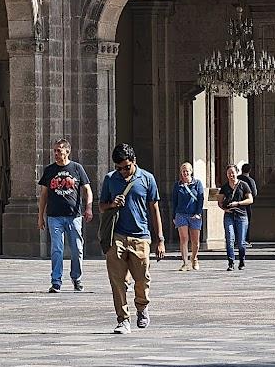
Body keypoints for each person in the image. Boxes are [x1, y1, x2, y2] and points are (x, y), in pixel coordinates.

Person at [99, 143, 163, 334]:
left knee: (142, 279)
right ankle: (123, 319)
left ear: (134, 161)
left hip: (141, 236)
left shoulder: (147, 179)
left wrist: (160, 239)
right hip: (116, 236)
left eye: (126, 167)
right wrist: (112, 204)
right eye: (118, 168)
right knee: (117, 281)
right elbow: (101, 206)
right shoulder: (110, 179)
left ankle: (142, 307)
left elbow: (154, 209)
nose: (123, 172)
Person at [36, 139, 94, 293]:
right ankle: (56, 281)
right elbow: (43, 195)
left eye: (59, 151)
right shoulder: (49, 170)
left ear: (67, 152)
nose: (56, 154)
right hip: (54, 216)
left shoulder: (77, 168)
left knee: (77, 249)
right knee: (57, 249)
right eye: (54, 151)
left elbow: (87, 190)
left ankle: (77, 278)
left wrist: (88, 208)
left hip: (74, 216)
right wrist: (40, 216)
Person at [216, 163, 254, 270]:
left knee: (241, 242)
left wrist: (238, 203)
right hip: (229, 215)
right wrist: (224, 208)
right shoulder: (224, 187)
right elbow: (219, 202)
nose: (231, 175)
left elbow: (250, 199)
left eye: (232, 173)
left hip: (242, 215)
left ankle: (242, 260)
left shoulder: (243, 185)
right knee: (230, 239)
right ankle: (231, 262)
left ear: (237, 173)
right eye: (229, 173)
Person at [170, 162, 206, 270]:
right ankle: (185, 263)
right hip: (181, 214)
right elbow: (174, 201)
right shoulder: (177, 185)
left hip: (194, 215)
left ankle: (194, 258)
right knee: (184, 238)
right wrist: (174, 216)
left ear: (191, 171)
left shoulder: (197, 183)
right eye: (183, 171)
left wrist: (198, 213)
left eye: (187, 171)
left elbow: (201, 199)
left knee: (195, 241)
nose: (185, 173)